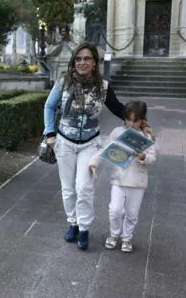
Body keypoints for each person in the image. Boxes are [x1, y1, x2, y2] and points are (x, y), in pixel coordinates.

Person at [43, 42, 126, 250]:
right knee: (68, 189)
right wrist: (50, 134)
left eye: (87, 58)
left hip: (90, 144)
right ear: (73, 62)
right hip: (64, 142)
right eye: (78, 59)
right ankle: (73, 223)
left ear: (94, 62)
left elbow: (118, 109)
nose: (82, 62)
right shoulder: (63, 82)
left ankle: (84, 227)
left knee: (84, 188)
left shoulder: (103, 87)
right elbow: (49, 106)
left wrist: (140, 121)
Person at [90, 100, 157, 253]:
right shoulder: (117, 132)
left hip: (138, 181)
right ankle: (114, 234)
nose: (131, 123)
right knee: (115, 209)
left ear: (142, 119)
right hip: (118, 179)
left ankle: (127, 238)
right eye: (129, 119)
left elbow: (153, 157)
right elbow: (106, 148)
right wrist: (94, 162)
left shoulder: (147, 136)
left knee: (132, 213)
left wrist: (143, 157)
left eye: (136, 120)